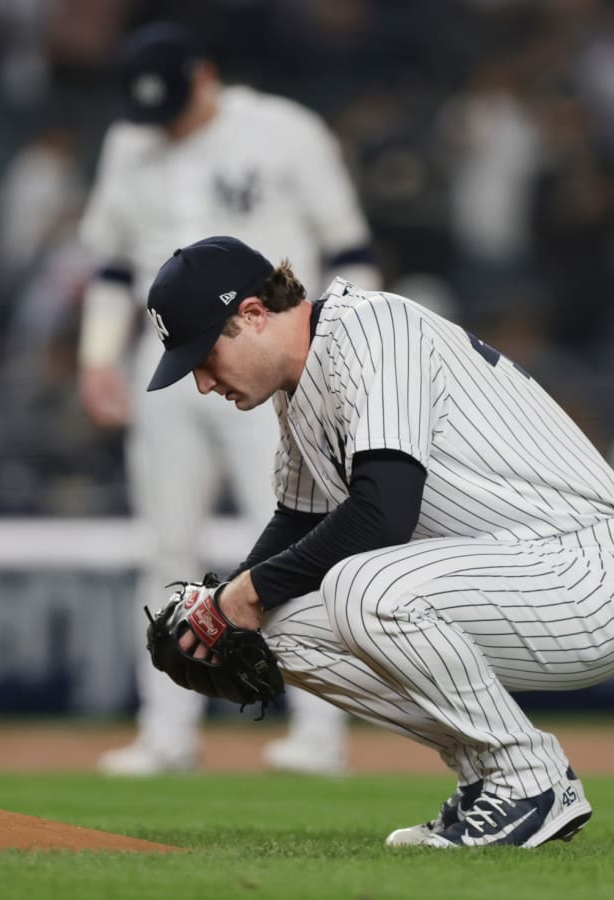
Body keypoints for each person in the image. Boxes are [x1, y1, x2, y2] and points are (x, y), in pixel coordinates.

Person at [142, 235, 614, 848]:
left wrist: (244, 594)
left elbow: (383, 514)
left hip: (586, 571)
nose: (202, 383)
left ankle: (532, 780)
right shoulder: (299, 390)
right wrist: (224, 606)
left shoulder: (372, 329)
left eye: (204, 355)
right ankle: (489, 778)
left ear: (252, 313)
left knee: (360, 586)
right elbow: (299, 523)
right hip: (510, 573)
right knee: (278, 625)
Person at [77, 22, 380, 776]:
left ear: (205, 77)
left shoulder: (284, 131)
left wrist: (349, 358)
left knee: (295, 540)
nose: (165, 121)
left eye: (177, 103)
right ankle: (167, 731)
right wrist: (96, 356)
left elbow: (349, 248)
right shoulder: (129, 144)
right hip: (170, 364)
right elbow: (112, 264)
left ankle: (320, 731)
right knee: (167, 546)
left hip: (272, 363)